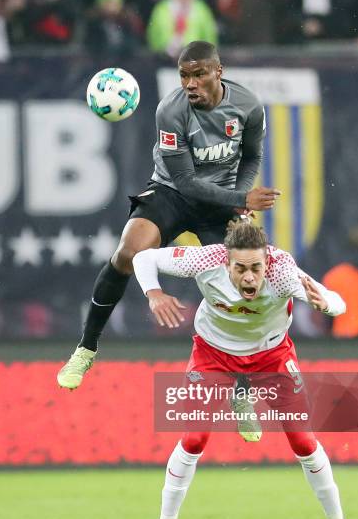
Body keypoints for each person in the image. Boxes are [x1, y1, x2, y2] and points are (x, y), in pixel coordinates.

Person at [132, 220, 358, 519]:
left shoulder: (284, 272)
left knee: (304, 442)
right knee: (194, 438)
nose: (249, 277)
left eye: (255, 268)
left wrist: (326, 306)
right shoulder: (205, 260)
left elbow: (337, 303)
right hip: (213, 355)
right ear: (226, 262)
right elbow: (144, 259)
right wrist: (153, 293)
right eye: (240, 268)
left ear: (266, 264)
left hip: (271, 356)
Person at [57, 40, 280, 390]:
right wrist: (241, 196)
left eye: (199, 75)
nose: (190, 84)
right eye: (184, 76)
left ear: (218, 72)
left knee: (244, 285)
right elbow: (185, 182)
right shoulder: (170, 111)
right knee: (128, 253)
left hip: (220, 202)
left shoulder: (248, 106)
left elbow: (251, 157)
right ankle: (86, 348)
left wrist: (240, 201)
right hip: (172, 193)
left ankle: (243, 388)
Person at [147, 0, 218, 57]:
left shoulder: (202, 10)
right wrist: (164, 48)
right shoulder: (161, 9)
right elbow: (153, 36)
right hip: (164, 61)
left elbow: (210, 39)